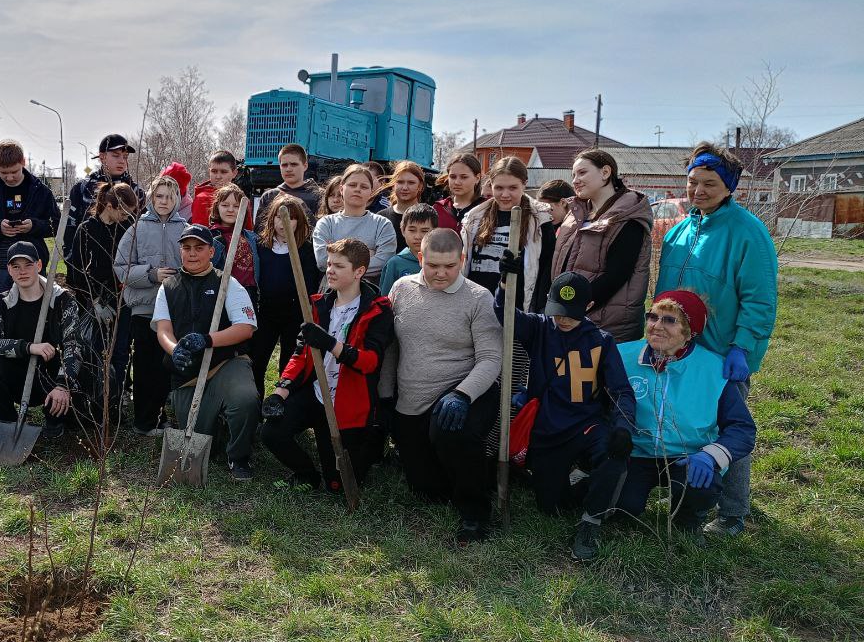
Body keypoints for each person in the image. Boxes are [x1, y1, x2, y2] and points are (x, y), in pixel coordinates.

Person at [570, 290, 757, 560]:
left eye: (669, 321)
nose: (657, 326)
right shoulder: (621, 356)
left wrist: (711, 455)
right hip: (635, 453)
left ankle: (688, 519)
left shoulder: (713, 369)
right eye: (652, 317)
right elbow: (591, 403)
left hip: (688, 456)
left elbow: (742, 429)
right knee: (625, 508)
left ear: (690, 331)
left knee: (702, 484)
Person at [654, 142, 777, 537]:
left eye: (709, 183)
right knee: (687, 420)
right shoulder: (679, 232)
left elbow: (760, 299)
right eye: (692, 182)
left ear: (729, 187)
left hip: (721, 350)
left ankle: (732, 512)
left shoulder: (748, 234)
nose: (698, 191)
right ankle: (686, 488)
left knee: (730, 425)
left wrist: (742, 346)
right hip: (679, 349)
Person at [383, 228, 502, 544]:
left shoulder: (478, 298)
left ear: (462, 260)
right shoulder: (401, 289)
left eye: (449, 266)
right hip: (412, 397)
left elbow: (491, 358)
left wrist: (462, 394)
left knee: (454, 434)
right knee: (426, 490)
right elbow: (393, 347)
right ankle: (470, 471)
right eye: (432, 264)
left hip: (463, 390)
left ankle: (475, 513)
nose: (440, 273)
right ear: (420, 257)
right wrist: (384, 394)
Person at [493, 264, 637, 517]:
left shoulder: (602, 341)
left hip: (586, 424)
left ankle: (592, 520)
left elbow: (621, 390)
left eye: (571, 314)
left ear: (589, 306)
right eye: (557, 312)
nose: (563, 319)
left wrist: (624, 428)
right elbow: (506, 315)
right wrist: (505, 284)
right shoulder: (539, 328)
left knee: (612, 454)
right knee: (553, 507)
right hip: (548, 428)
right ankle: (574, 484)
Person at [262, 238, 394, 491]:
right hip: (316, 395)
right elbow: (301, 353)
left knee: (339, 486)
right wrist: (281, 391)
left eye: (339, 266)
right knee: (271, 433)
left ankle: (341, 470)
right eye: (329, 264)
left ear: (359, 271)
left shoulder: (378, 310)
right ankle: (306, 475)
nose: (330, 270)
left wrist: (331, 344)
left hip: (347, 404)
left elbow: (370, 362)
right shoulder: (320, 304)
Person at [152, 224, 260, 480]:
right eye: (186, 248)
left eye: (199, 248)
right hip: (188, 373)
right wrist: (175, 349)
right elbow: (163, 330)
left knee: (245, 400)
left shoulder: (227, 283)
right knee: (201, 438)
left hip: (226, 363)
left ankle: (239, 456)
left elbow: (246, 328)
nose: (192, 253)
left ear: (211, 251)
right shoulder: (168, 287)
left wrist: (208, 339)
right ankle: (217, 428)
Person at [0, 241, 81, 437]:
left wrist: (62, 385)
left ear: (39, 266)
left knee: (79, 367)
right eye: (16, 266)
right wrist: (28, 347)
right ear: (9, 270)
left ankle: (54, 419)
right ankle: (8, 422)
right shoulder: (1, 302)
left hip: (50, 374)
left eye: (28, 265)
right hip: (16, 374)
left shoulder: (62, 300)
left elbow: (73, 346)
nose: (22, 272)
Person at [551, 150, 653, 343]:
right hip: (571, 317)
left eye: (582, 173)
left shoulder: (627, 217)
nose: (575, 180)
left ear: (605, 172)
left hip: (606, 326)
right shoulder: (577, 214)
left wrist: (572, 303)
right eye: (573, 175)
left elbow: (616, 275)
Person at [114, 174, 188, 436]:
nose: (164, 201)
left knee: (168, 365)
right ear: (151, 198)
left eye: (170, 197)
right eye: (159, 196)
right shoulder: (136, 229)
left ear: (177, 199)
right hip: (144, 309)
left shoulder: (185, 229)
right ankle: (143, 422)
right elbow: (121, 268)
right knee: (146, 366)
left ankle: (163, 416)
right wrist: (150, 275)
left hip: (175, 310)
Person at [66, 181, 140, 417]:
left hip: (122, 299)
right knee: (94, 350)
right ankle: (94, 398)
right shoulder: (86, 230)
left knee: (120, 350)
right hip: (92, 302)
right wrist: (94, 301)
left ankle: (116, 400)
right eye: (123, 211)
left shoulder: (127, 227)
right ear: (108, 205)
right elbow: (75, 271)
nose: (127, 216)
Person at [0, 140, 61, 307]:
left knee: (30, 315)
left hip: (30, 266)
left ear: (23, 162)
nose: (9, 177)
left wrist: (33, 226)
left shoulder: (41, 191)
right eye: (3, 173)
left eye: (14, 171)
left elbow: (56, 225)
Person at [462, 156, 553, 313]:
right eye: (499, 188)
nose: (505, 194)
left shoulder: (540, 219)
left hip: (516, 308)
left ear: (524, 184)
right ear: (491, 185)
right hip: (477, 305)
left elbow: (546, 268)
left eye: (512, 188)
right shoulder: (474, 217)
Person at [251, 194, 320, 394]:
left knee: (288, 364)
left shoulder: (306, 250)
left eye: (290, 217)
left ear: (298, 220)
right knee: (258, 361)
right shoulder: (262, 247)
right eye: (280, 217)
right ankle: (256, 406)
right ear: (272, 218)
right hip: (265, 312)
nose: (284, 222)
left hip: (294, 314)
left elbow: (309, 284)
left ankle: (283, 407)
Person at [313, 164, 396, 283]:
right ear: (342, 189)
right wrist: (366, 255)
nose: (357, 189)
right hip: (332, 296)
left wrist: (337, 258)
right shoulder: (326, 224)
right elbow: (322, 261)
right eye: (352, 185)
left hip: (368, 295)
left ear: (371, 192)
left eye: (364, 186)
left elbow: (383, 262)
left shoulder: (382, 225)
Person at [65, 133, 144, 258]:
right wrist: (70, 259)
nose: (122, 161)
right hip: (88, 264)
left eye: (125, 157)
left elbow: (142, 229)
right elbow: (70, 225)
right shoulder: (83, 188)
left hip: (125, 264)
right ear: (102, 157)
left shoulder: (136, 191)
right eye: (116, 156)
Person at [209, 183, 261, 305]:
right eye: (225, 205)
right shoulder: (211, 237)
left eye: (236, 206)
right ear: (217, 207)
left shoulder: (252, 237)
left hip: (250, 294)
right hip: (223, 294)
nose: (231, 210)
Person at [379, 160, 443, 253]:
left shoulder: (430, 216)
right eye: (400, 182)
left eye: (411, 183)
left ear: (420, 186)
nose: (405, 187)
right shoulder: (382, 218)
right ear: (393, 185)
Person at [256, 143, 322, 228]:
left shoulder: (319, 196)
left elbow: (323, 233)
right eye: (284, 165)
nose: (288, 169)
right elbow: (258, 233)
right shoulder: (269, 196)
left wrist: (302, 206)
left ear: (305, 166)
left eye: (294, 164)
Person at [379, 204, 439, 295]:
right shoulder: (394, 263)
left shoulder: (442, 262)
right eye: (412, 230)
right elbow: (385, 300)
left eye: (424, 231)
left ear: (435, 232)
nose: (418, 236)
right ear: (403, 230)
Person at [191, 150, 252, 227]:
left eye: (223, 172)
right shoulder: (202, 199)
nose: (218, 177)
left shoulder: (241, 199)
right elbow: (197, 235)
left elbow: (248, 232)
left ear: (234, 173)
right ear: (209, 172)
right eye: (214, 171)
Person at [434, 154, 484, 227]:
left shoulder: (487, 208)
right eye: (453, 177)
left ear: (477, 178)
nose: (457, 182)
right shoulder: (437, 209)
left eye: (464, 177)